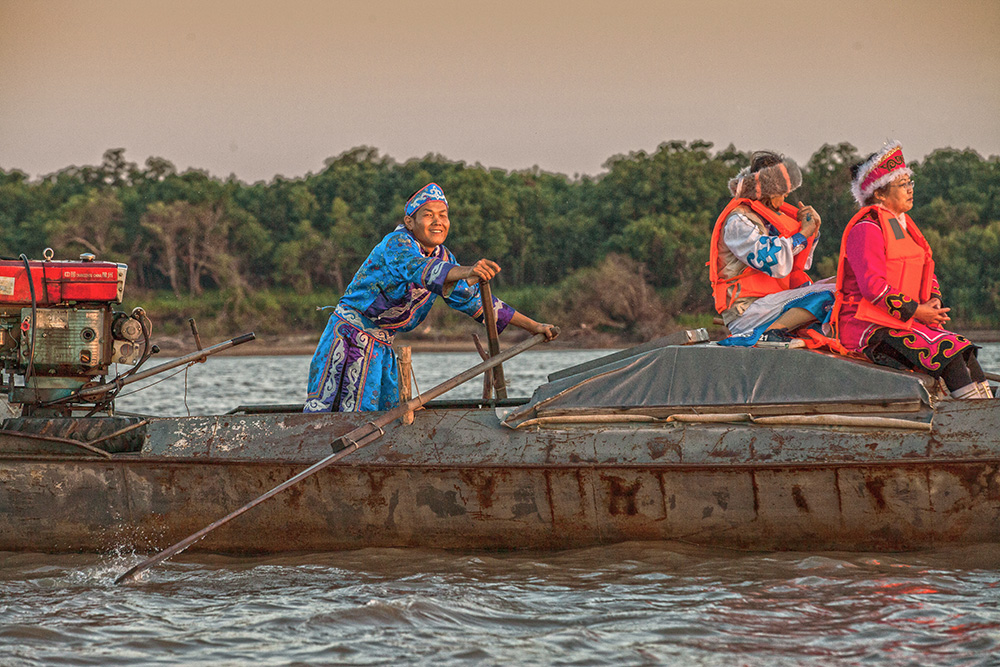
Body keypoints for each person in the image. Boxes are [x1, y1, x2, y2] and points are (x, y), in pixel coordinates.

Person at [305, 182, 558, 413]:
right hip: (349, 339)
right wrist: (467, 271)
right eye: (428, 215)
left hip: (382, 347)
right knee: (342, 416)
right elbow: (419, 269)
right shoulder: (396, 243)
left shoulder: (444, 257)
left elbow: (476, 301)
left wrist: (534, 327)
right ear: (410, 221)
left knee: (387, 417)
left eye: (443, 215)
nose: (438, 222)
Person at [832, 141, 991, 399]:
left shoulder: (902, 225)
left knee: (964, 350)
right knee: (946, 350)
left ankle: (984, 409)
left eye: (910, 183)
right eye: (902, 184)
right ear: (879, 193)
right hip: (867, 327)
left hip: (902, 320)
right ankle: (975, 413)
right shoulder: (867, 228)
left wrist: (933, 302)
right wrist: (918, 311)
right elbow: (873, 288)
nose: (910, 189)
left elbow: (926, 269)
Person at [709, 151, 834, 348]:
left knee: (841, 284)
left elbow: (800, 264)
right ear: (771, 191)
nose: (786, 196)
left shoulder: (771, 217)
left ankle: (789, 330)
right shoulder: (739, 220)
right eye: (783, 191)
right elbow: (774, 261)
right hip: (747, 311)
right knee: (832, 293)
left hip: (770, 304)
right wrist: (802, 234)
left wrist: (812, 231)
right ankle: (767, 334)